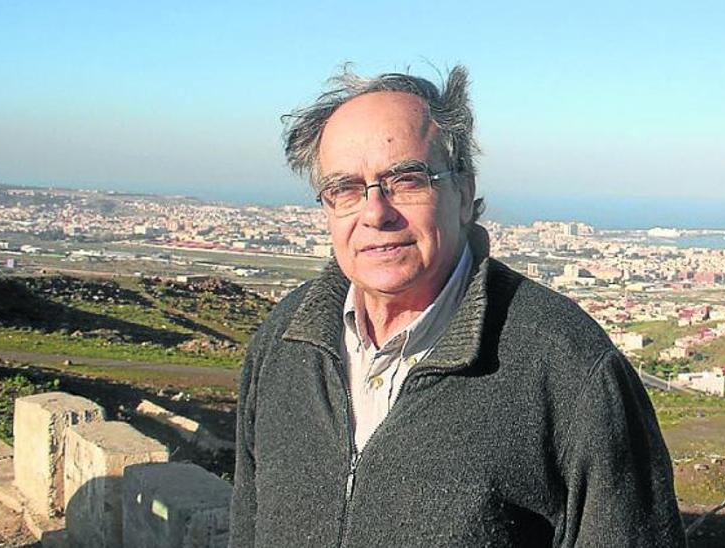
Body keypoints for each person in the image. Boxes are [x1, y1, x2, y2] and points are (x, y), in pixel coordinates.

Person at [228, 65, 686, 546]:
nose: (375, 213)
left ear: (464, 194)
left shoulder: (566, 365)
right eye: (344, 189)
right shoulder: (284, 342)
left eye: (406, 180)